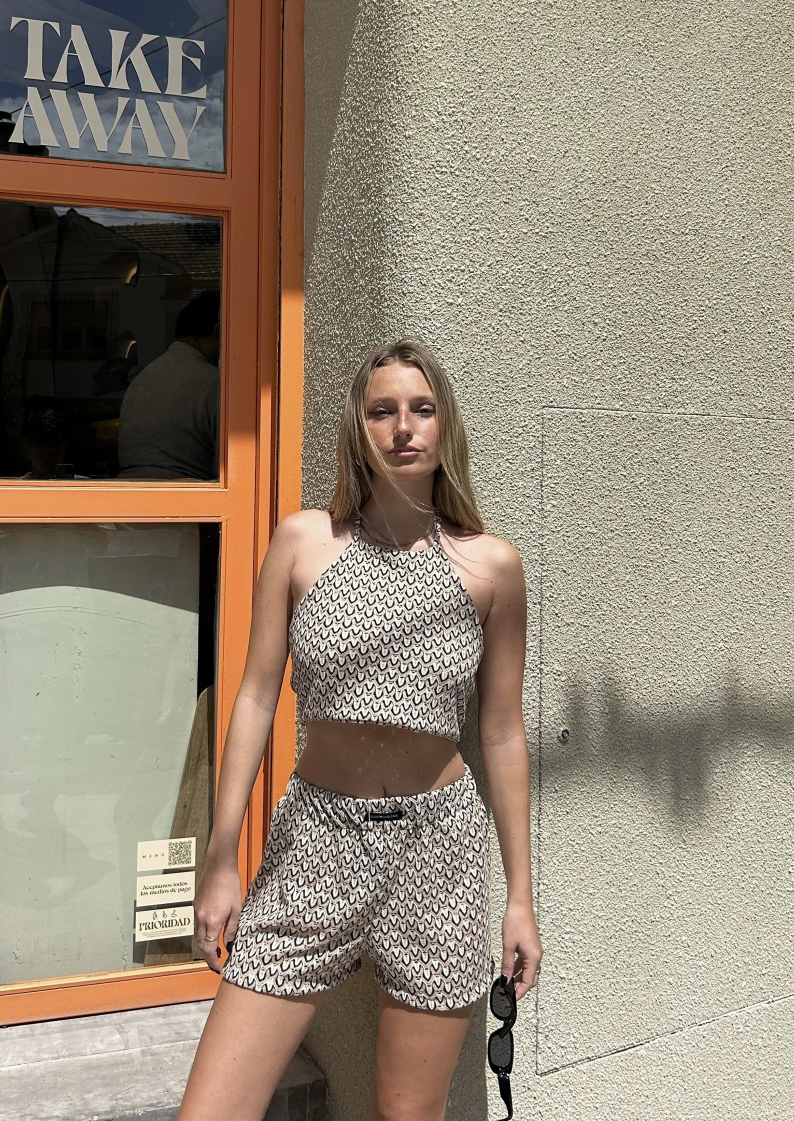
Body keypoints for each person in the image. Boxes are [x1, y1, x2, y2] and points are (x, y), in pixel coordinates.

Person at [178, 340, 541, 1121]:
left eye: (422, 408)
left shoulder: (492, 567)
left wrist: (520, 896)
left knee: (407, 1112)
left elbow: (503, 733)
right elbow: (255, 697)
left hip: (440, 850)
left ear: (445, 425)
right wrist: (221, 856)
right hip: (315, 838)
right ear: (358, 425)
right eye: (383, 410)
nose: (403, 427)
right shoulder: (303, 541)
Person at [117, 291, 220, 480]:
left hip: (127, 487)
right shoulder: (214, 381)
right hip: (186, 491)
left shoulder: (144, 377)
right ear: (218, 332)